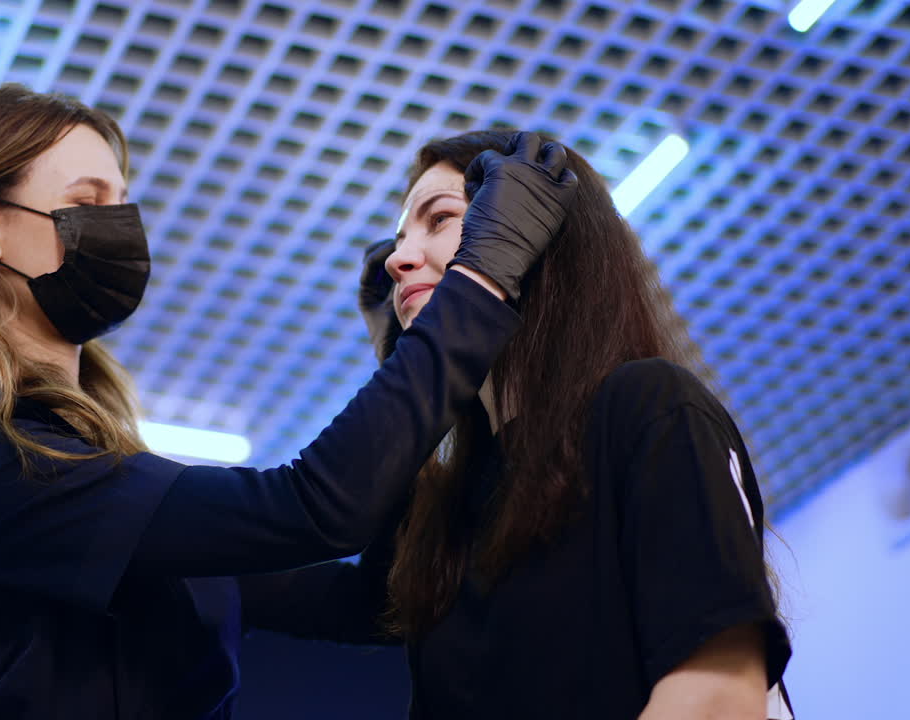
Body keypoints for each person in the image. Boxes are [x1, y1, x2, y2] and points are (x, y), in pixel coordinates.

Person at [0, 84, 578, 719]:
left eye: (121, 204)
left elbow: (374, 603)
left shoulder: (112, 485)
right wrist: (478, 285)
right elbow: (314, 508)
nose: (118, 227)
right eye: (89, 202)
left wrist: (408, 356)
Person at [239, 130, 794, 719]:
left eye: (439, 219)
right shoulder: (455, 507)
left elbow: (717, 695)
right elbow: (355, 598)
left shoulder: (649, 406)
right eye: (400, 242)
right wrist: (407, 380)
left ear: (532, 232)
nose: (398, 262)